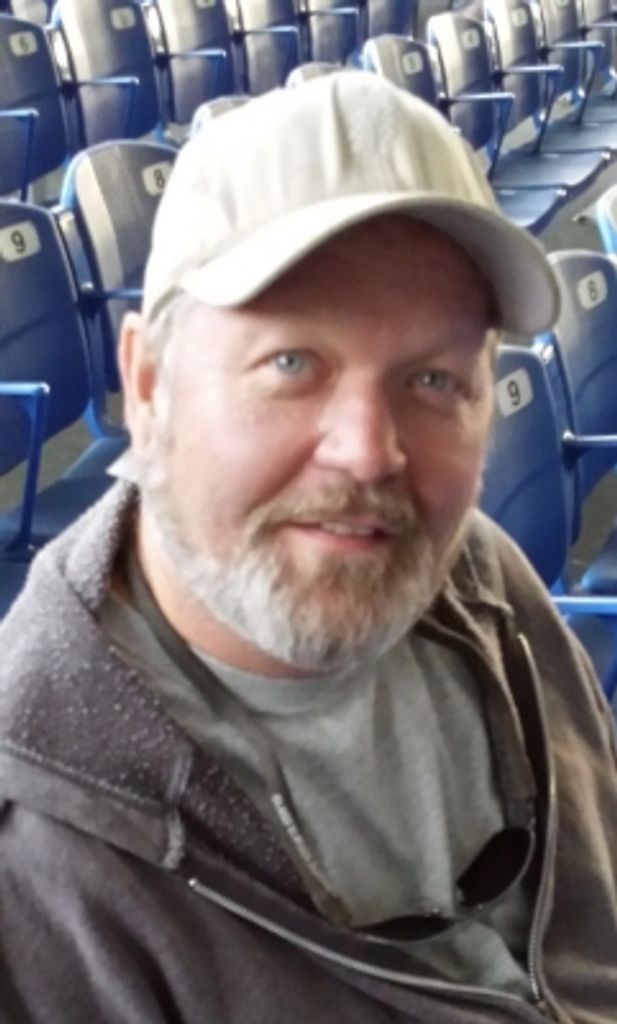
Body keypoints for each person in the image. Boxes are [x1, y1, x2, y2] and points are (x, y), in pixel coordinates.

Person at [0, 71, 615, 1024]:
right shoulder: (37, 868)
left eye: (434, 380)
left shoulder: (480, 577)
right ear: (148, 384)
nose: (369, 452)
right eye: (291, 363)